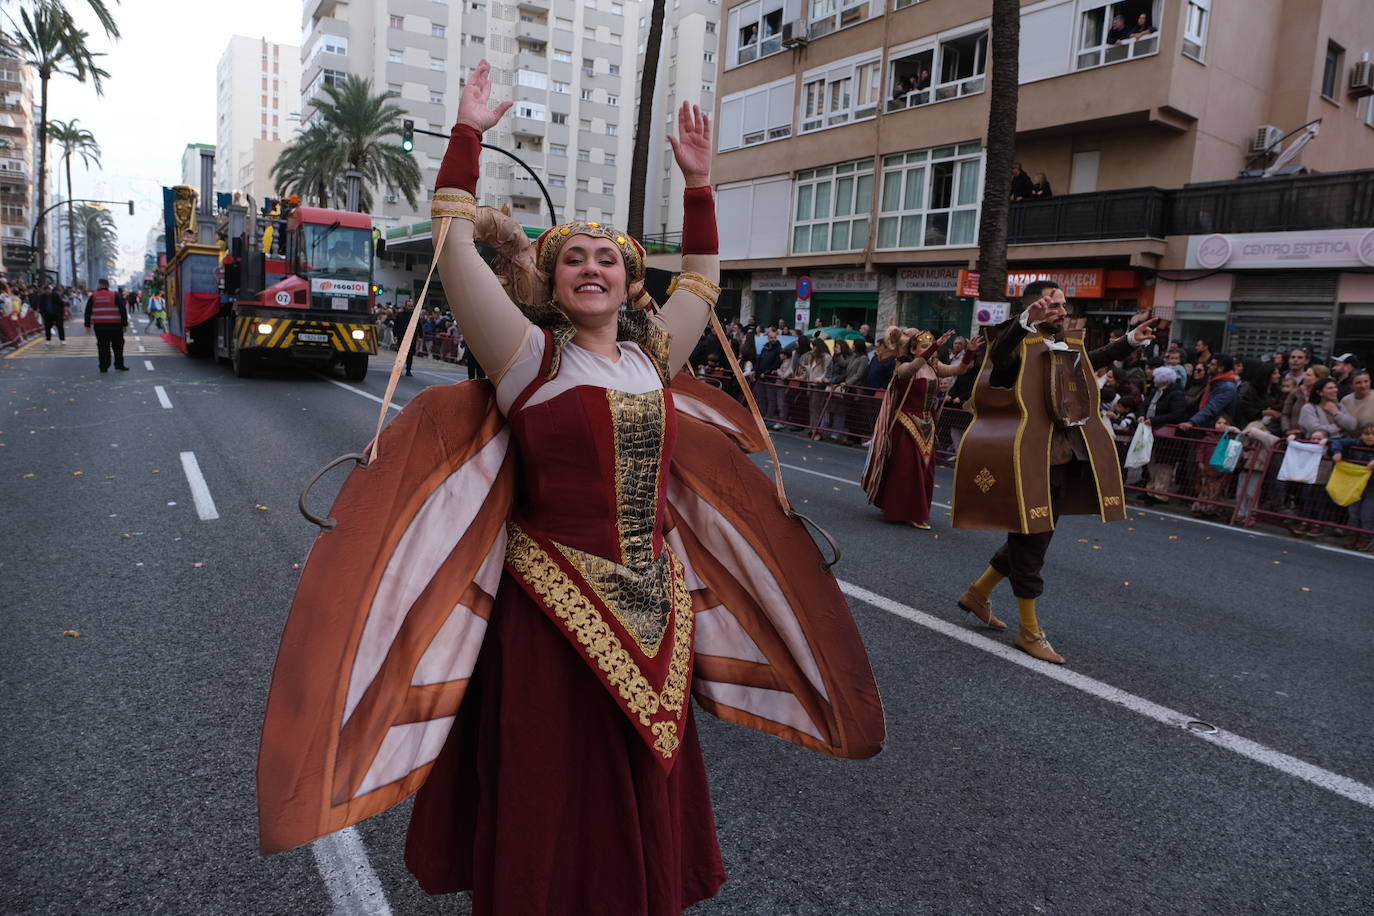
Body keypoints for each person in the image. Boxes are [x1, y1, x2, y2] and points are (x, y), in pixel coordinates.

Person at [256, 61, 883, 915]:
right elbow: (453, 244)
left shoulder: (651, 355)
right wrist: (467, 134)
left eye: (609, 262)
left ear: (630, 285)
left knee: (638, 774)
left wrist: (701, 184)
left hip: (658, 608)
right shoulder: (529, 360)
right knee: (552, 778)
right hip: (550, 608)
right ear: (552, 285)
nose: (593, 270)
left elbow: (701, 277)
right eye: (574, 261)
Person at [952, 281, 1158, 663]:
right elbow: (999, 361)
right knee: (1032, 539)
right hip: (1030, 457)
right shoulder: (1017, 343)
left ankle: (978, 594)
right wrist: (1023, 322)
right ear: (1037, 307)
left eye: (1064, 304)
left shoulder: (1061, 343)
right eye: (1057, 304)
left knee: (1035, 536)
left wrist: (1130, 340)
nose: (1064, 310)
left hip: (1063, 455)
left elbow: (1088, 359)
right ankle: (1029, 631)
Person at [863, 327, 981, 529]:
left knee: (925, 470)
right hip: (905, 422)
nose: (931, 350)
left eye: (931, 346)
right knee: (907, 469)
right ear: (914, 350)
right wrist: (935, 345)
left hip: (927, 423)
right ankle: (904, 510)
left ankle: (912, 509)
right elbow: (912, 368)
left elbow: (961, 369)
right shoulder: (904, 366)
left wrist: (970, 351)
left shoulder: (935, 366)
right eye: (925, 347)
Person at [1139, 364, 1193, 503]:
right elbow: (1145, 405)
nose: (1154, 379)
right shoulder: (1155, 391)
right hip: (1152, 432)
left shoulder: (1176, 394)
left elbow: (1177, 414)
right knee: (1151, 461)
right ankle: (1151, 489)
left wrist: (1154, 420)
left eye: (1156, 377)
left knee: (1164, 464)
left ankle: (1160, 493)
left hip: (1167, 436)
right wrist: (1141, 415)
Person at [1330, 424, 1374, 550]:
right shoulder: (1355, 443)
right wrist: (1337, 452)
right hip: (1354, 484)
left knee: (1367, 514)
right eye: (1366, 434)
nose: (1370, 437)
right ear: (1361, 435)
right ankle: (1352, 535)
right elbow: (1336, 442)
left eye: (1373, 434)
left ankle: (1366, 538)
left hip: (1371, 486)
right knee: (1353, 512)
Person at [1177, 353, 1239, 432]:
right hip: (1206, 424)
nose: (1209, 366)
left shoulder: (1227, 387)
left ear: (1220, 368)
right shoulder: (1214, 382)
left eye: (1212, 364)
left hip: (1214, 428)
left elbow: (1212, 407)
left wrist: (1192, 422)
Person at [83, 278, 128, 372]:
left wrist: (87, 325)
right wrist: (124, 324)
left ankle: (104, 366)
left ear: (99, 285)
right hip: (115, 326)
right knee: (118, 346)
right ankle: (119, 364)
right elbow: (122, 310)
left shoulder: (94, 296)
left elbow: (87, 311)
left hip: (100, 327)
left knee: (103, 346)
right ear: (107, 285)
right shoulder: (115, 295)